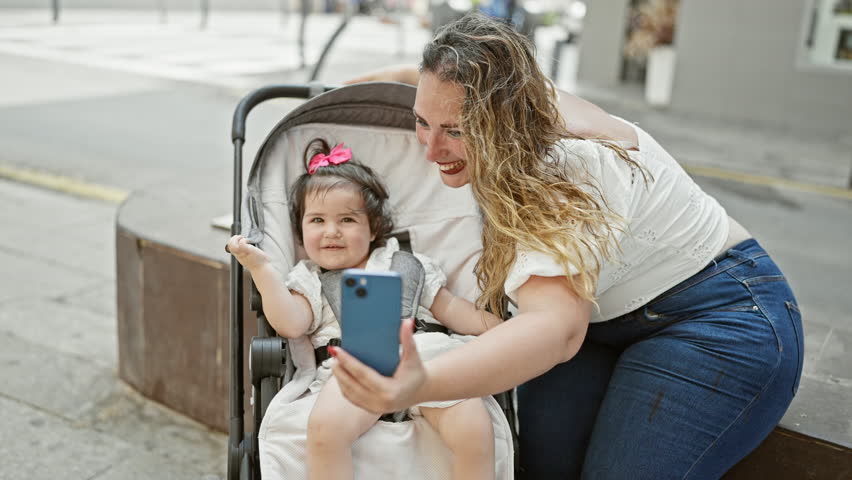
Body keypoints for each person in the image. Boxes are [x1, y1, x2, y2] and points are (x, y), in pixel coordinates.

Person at [333, 13, 804, 479]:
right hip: (608, 316)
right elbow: (427, 85)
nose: (431, 150)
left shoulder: (564, 169)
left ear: (506, 121)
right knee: (544, 468)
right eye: (423, 122)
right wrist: (351, 90)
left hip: (719, 314)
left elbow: (558, 329)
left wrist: (421, 385)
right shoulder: (511, 96)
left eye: (455, 131)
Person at [227, 138, 503, 480]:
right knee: (325, 429)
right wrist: (262, 271)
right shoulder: (310, 280)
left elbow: (455, 311)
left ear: (373, 228)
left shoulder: (408, 264)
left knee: (472, 425)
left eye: (346, 220)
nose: (332, 232)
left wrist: (512, 330)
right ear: (300, 232)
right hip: (354, 369)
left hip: (427, 359)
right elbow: (290, 324)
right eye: (316, 221)